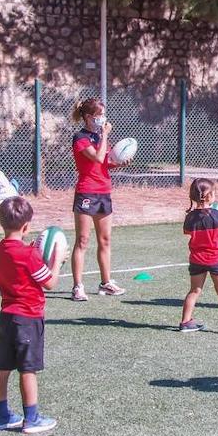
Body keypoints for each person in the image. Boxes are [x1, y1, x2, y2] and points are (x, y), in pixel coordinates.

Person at [0, 197, 59, 434]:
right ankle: (32, 419)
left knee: (2, 367)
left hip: (6, 316)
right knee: (28, 370)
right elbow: (50, 282)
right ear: (27, 226)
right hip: (28, 317)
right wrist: (56, 260)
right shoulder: (28, 256)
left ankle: (2, 416)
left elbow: (17, 265)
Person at [69, 97, 126, 301]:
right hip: (86, 192)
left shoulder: (100, 137)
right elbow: (97, 157)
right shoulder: (80, 137)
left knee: (105, 240)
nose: (102, 119)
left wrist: (118, 162)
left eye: (103, 115)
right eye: (98, 115)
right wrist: (104, 135)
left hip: (104, 191)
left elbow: (105, 162)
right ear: (87, 117)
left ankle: (106, 282)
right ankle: (77, 287)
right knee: (82, 240)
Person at [180, 177, 218, 334]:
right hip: (217, 258)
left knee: (194, 290)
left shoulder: (190, 217)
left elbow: (188, 232)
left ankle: (185, 322)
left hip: (197, 259)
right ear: (210, 196)